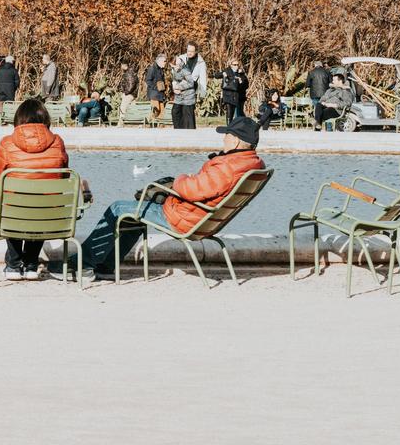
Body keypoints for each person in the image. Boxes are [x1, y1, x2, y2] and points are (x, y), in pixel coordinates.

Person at [84, 114, 265, 277]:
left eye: (227, 135)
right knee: (134, 217)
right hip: (200, 218)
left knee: (118, 208)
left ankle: (81, 264)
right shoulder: (251, 164)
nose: (223, 139)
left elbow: (193, 189)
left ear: (235, 141)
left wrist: (180, 179)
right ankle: (106, 266)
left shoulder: (227, 167)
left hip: (183, 218)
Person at [0, 98, 73, 280]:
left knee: (13, 203)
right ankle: (31, 264)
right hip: (48, 214)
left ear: (18, 119)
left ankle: (14, 264)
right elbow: (64, 178)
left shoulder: (7, 143)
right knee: (42, 202)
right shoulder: (57, 142)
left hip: (14, 214)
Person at [219, 59, 248, 124]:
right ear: (231, 65)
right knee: (229, 111)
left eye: (237, 65)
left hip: (237, 95)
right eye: (234, 65)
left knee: (238, 112)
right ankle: (229, 127)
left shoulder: (241, 73)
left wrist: (241, 81)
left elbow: (246, 85)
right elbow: (216, 75)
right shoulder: (227, 71)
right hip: (228, 94)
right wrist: (222, 74)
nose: (236, 66)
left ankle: (240, 125)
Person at [143, 53, 168, 120]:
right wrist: (156, 87)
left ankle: (160, 127)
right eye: (164, 61)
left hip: (160, 94)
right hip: (153, 94)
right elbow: (148, 80)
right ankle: (148, 123)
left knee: (162, 112)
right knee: (156, 110)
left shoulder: (161, 69)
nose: (165, 63)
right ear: (159, 61)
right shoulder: (152, 69)